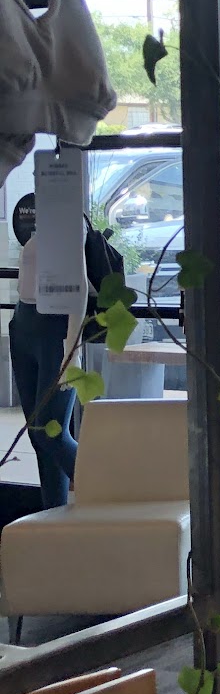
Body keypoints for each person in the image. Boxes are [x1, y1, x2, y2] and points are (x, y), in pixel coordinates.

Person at [8, 192, 80, 509]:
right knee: (39, 435)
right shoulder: (41, 228)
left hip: (55, 331)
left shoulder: (70, 227)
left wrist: (72, 350)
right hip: (24, 325)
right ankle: (55, 513)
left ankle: (114, 496)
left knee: (51, 432)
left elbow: (79, 290)